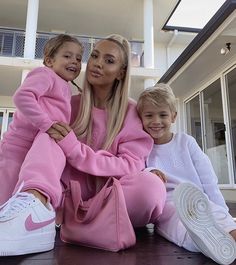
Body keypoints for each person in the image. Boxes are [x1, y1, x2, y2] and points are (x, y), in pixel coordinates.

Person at [0, 34, 166, 256]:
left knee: (151, 188)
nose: (97, 63)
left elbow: (130, 165)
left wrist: (75, 150)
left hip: (109, 197)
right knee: (51, 131)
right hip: (63, 195)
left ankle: (68, 225)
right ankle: (37, 207)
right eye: (95, 55)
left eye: (109, 60)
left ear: (121, 72)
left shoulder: (130, 112)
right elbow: (37, 145)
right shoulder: (68, 103)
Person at [137, 83, 236, 265]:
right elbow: (136, 171)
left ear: (173, 116)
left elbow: (208, 178)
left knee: (220, 217)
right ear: (140, 118)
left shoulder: (186, 142)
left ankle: (229, 238)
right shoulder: (142, 146)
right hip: (166, 203)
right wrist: (150, 172)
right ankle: (207, 242)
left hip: (198, 200)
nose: (156, 121)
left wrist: (223, 209)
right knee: (180, 226)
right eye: (149, 115)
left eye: (163, 115)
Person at [0, 34, 83, 206]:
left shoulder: (65, 87)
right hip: (18, 147)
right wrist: (48, 125)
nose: (74, 61)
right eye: (67, 56)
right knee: (6, 194)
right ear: (49, 61)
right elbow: (22, 97)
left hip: (36, 147)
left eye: (78, 58)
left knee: (23, 192)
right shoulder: (45, 74)